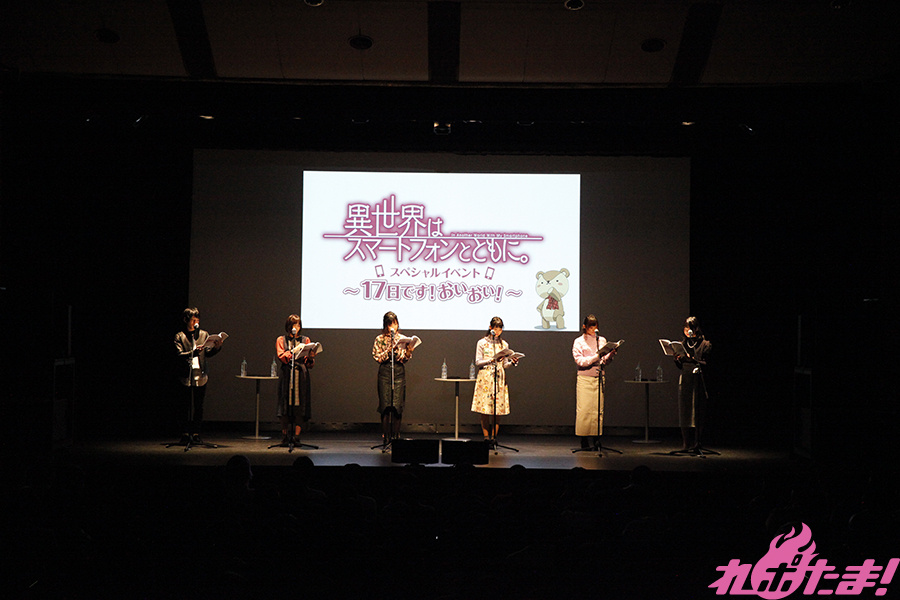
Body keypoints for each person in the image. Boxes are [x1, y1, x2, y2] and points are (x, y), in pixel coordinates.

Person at [174, 307, 223, 444]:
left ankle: (196, 433)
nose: (196, 323)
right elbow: (179, 355)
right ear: (186, 320)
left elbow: (207, 353)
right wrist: (194, 353)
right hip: (186, 375)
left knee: (198, 406)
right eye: (193, 320)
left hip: (200, 375)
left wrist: (217, 347)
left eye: (197, 320)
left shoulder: (203, 334)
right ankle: (185, 433)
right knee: (185, 406)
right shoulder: (180, 336)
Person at [572, 314, 616, 450]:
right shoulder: (579, 341)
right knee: (584, 410)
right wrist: (596, 356)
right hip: (585, 378)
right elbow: (580, 361)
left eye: (595, 327)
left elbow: (604, 361)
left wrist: (611, 354)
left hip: (599, 377)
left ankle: (596, 439)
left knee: (597, 410)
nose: (593, 329)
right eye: (591, 327)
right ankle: (583, 439)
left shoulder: (601, 340)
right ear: (584, 327)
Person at [471, 316, 518, 443]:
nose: (498, 331)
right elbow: (478, 362)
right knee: (485, 409)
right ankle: (486, 438)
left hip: (499, 377)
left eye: (500, 329)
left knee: (497, 410)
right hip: (486, 377)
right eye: (496, 328)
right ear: (490, 327)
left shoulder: (504, 344)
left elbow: (505, 364)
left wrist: (512, 362)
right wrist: (491, 360)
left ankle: (494, 438)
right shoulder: (482, 342)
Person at [372, 311, 415, 444]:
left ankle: (396, 438)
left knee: (397, 406)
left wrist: (408, 352)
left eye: (395, 323)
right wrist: (390, 349)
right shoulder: (379, 339)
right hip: (385, 371)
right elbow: (377, 357)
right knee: (385, 406)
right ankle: (386, 437)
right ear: (385, 325)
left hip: (398, 372)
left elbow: (405, 359)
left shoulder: (402, 338)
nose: (393, 327)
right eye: (390, 324)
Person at [673, 316, 712, 452]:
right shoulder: (682, 344)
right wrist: (677, 359)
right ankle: (686, 443)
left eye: (689, 328)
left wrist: (692, 358)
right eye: (685, 328)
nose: (687, 331)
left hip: (698, 379)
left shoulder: (705, 344)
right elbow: (681, 365)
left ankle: (697, 442)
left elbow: (705, 363)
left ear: (695, 329)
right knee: (684, 410)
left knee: (697, 411)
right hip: (685, 378)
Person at [276, 314, 316, 446]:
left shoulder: (305, 340)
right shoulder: (281, 339)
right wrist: (293, 351)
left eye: (298, 324)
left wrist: (311, 357)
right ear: (289, 326)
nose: (296, 327)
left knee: (300, 405)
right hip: (287, 373)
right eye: (294, 324)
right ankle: (285, 436)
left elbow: (309, 363)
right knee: (285, 404)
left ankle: (297, 437)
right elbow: (282, 356)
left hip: (301, 374)